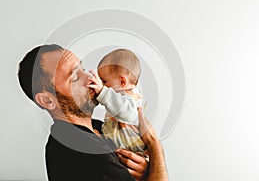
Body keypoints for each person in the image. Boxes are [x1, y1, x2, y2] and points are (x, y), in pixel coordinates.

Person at [18, 44, 168, 181]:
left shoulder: (100, 128)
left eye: (82, 69)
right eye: (75, 77)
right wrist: (155, 145)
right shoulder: (82, 149)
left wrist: (147, 172)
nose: (90, 77)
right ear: (47, 100)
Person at [87, 49, 147, 155]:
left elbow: (123, 110)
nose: (103, 86)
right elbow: (111, 103)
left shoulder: (132, 98)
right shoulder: (118, 97)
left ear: (122, 81)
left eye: (104, 81)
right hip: (119, 149)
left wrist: (102, 91)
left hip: (135, 151)